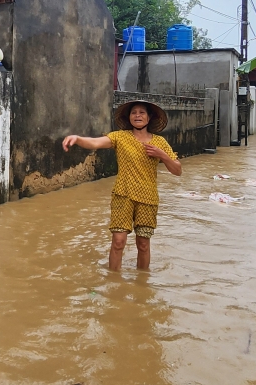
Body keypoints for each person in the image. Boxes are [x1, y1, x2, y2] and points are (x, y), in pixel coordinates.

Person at [61, 101, 181, 271]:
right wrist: (77, 139)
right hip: (123, 195)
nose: (137, 116)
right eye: (134, 112)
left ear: (149, 117)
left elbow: (177, 170)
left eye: (142, 112)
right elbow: (95, 143)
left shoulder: (159, 142)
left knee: (143, 244)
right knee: (118, 242)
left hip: (148, 198)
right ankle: (114, 281)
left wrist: (163, 155)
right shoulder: (120, 137)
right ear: (129, 117)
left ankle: (142, 280)